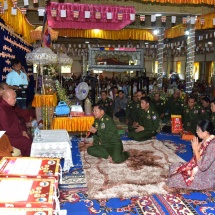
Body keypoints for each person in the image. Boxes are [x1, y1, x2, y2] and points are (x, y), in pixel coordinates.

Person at [166, 120, 215, 191]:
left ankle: (206, 186)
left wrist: (196, 150)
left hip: (206, 177)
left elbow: (203, 167)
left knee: (173, 180)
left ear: (205, 132)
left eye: (198, 130)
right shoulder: (206, 140)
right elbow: (196, 159)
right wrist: (196, 150)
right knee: (174, 167)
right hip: (198, 169)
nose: (196, 132)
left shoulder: (212, 146)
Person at [0, 89, 32, 156]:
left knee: (30, 138)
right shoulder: (2, 110)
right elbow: (6, 129)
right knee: (27, 142)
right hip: (7, 138)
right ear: (7, 99)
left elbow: (16, 121)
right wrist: (20, 133)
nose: (16, 100)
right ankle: (26, 162)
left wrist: (22, 131)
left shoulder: (8, 106)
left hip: (14, 134)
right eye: (14, 98)